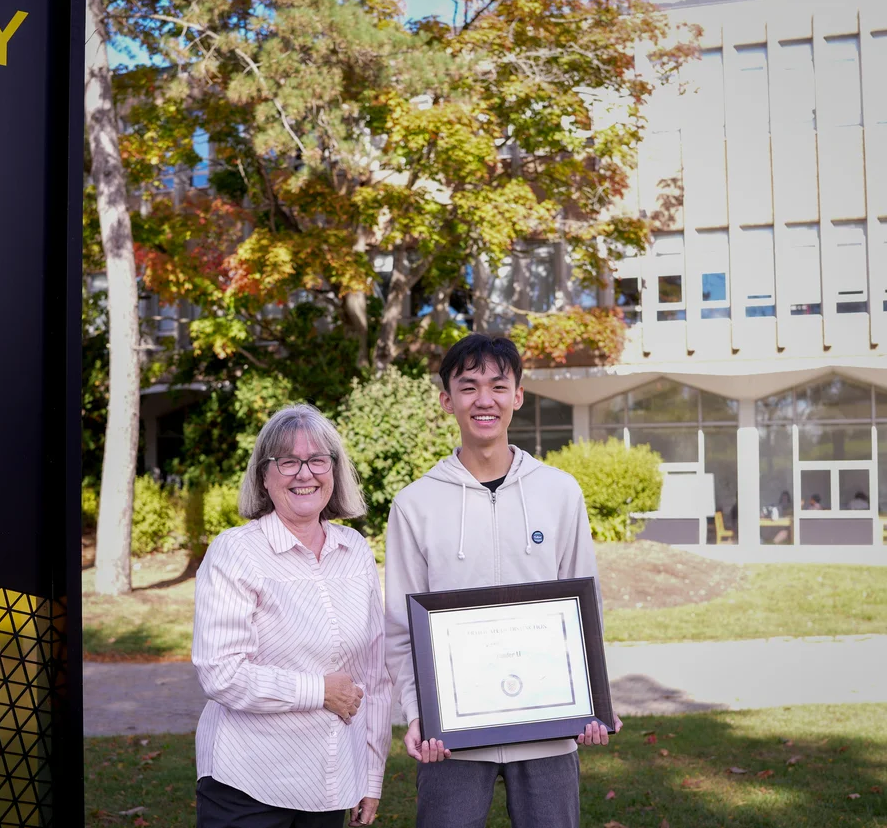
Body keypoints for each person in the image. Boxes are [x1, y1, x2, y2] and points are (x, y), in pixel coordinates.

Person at [384, 334, 620, 828]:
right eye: (468, 387)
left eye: (498, 385)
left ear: (518, 396)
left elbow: (585, 605)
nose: (484, 399)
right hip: (451, 740)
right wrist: (416, 711)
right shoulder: (415, 504)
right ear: (447, 399)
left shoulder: (559, 492)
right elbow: (400, 628)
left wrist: (596, 700)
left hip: (547, 731)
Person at [192, 404, 391, 828]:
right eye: (288, 461)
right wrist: (318, 690)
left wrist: (370, 776)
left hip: (328, 785)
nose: (305, 473)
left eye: (318, 459)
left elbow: (373, 677)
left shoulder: (354, 550)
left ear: (333, 470)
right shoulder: (235, 552)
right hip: (246, 784)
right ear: (264, 476)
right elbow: (221, 673)